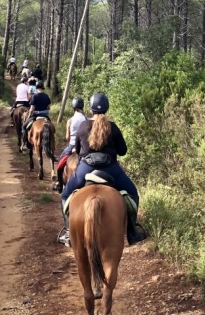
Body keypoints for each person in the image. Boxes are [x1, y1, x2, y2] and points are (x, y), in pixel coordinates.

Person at [59, 92, 147, 247]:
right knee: (133, 193)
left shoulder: (83, 126)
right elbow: (123, 151)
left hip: (86, 168)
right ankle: (132, 232)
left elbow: (78, 151)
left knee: (65, 195)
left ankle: (68, 232)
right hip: (110, 168)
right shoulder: (112, 127)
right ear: (107, 108)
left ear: (91, 109)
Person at [53, 98, 87, 190]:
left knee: (60, 163)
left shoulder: (70, 120)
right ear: (82, 108)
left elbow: (67, 137)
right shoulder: (86, 119)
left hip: (72, 145)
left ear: (73, 108)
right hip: (84, 146)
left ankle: (59, 183)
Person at [22, 81, 51, 145]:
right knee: (52, 128)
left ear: (36, 87)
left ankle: (25, 143)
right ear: (43, 87)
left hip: (36, 115)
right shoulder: (47, 96)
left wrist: (29, 116)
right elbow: (49, 107)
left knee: (24, 127)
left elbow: (32, 109)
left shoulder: (34, 96)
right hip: (45, 115)